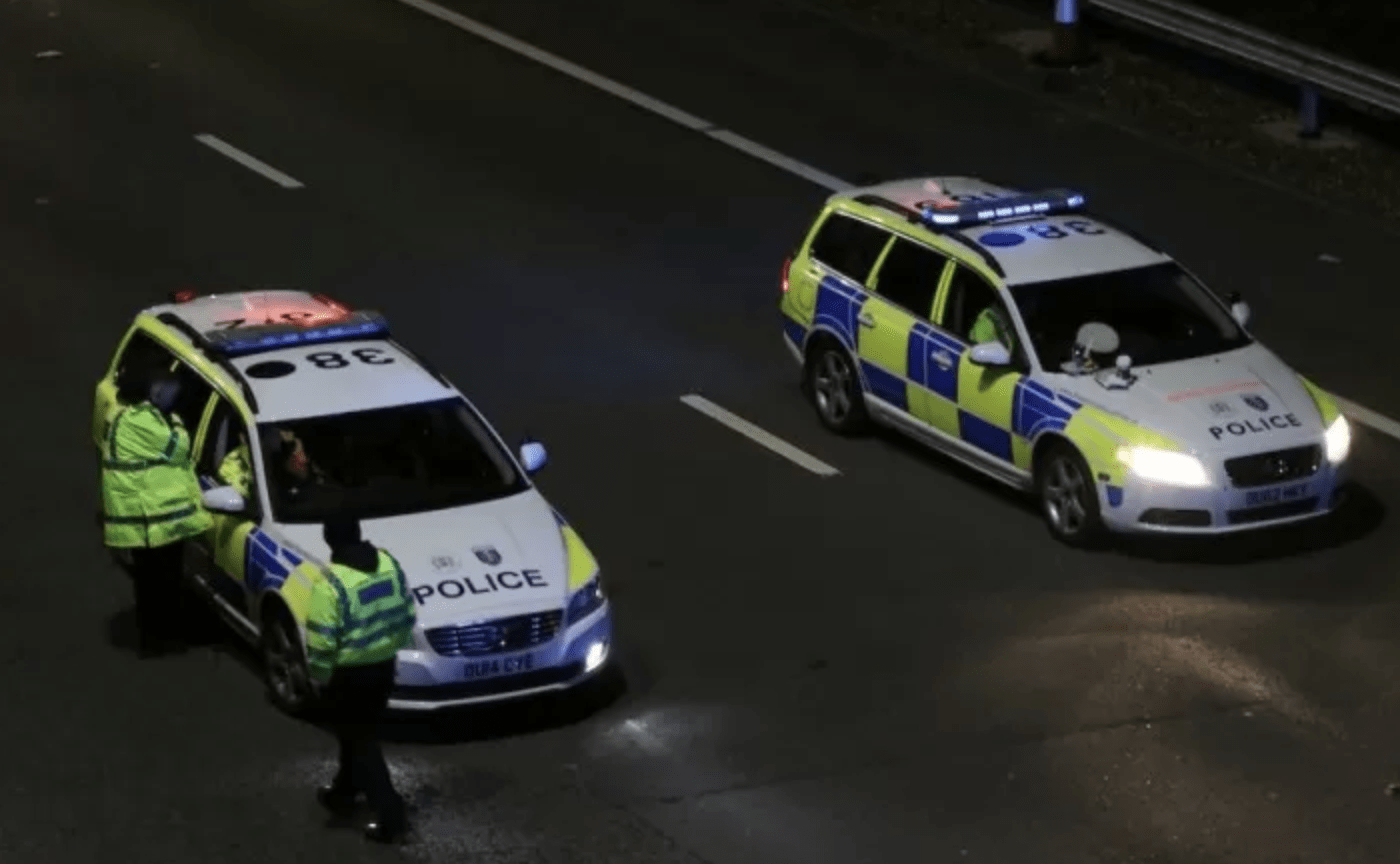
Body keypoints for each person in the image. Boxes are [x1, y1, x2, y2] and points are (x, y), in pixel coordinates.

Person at [306, 517, 416, 843]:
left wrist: (321, 678)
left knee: (361, 741)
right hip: (384, 665)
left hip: (349, 674)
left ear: (329, 541)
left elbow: (322, 641)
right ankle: (343, 794)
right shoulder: (387, 563)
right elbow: (407, 609)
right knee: (355, 736)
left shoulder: (331, 583)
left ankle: (390, 814)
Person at [101, 367, 214, 656]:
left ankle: (156, 636)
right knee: (161, 582)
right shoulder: (140, 420)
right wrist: (177, 422)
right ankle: (161, 637)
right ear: (152, 392)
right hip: (154, 517)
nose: (171, 396)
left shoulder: (127, 417)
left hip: (147, 516)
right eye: (167, 390)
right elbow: (178, 447)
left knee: (151, 581)